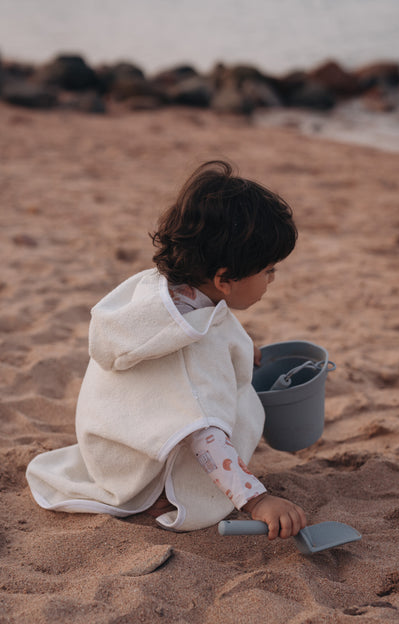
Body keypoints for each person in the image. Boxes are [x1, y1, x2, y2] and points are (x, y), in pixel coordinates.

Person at [26, 160, 306, 540]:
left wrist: (240, 348)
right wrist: (256, 501)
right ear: (224, 279)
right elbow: (204, 436)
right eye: (269, 271)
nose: (272, 280)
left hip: (112, 448)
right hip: (138, 471)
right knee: (229, 415)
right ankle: (160, 493)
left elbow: (216, 323)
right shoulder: (189, 352)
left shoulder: (162, 292)